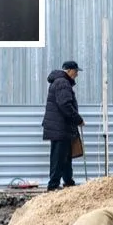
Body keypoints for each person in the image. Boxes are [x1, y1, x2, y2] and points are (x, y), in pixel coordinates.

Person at [42, 61, 84, 191]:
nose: (76, 74)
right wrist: (78, 119)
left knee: (65, 156)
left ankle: (68, 182)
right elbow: (65, 105)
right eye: (76, 71)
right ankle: (53, 186)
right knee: (59, 157)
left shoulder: (60, 82)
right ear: (70, 70)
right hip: (60, 127)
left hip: (60, 127)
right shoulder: (62, 83)